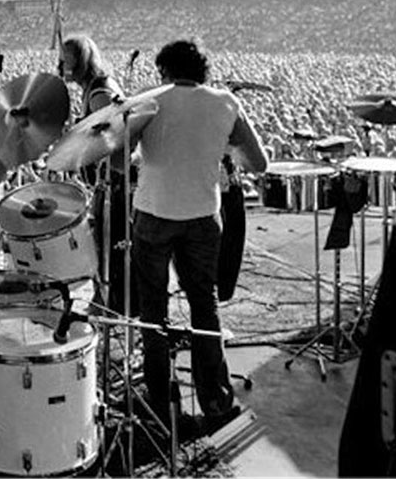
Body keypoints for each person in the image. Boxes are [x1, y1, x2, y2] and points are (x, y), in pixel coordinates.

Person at [130, 40, 268, 438]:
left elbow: (115, 154)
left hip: (154, 215)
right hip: (203, 217)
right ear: (203, 70)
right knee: (204, 307)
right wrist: (217, 148)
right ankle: (216, 402)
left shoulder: (149, 100)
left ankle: (159, 406)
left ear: (164, 72)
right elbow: (258, 163)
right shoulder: (225, 102)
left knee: (153, 313)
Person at [61, 34, 130, 313]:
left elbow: (115, 134)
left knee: (106, 248)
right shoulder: (90, 88)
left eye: (66, 59)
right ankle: (102, 301)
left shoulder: (100, 92)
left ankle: (107, 305)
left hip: (113, 183)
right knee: (99, 246)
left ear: (81, 60)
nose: (61, 64)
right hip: (103, 183)